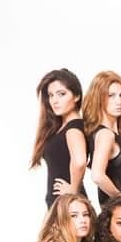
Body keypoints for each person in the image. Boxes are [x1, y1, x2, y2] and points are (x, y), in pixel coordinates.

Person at [84, 71, 121, 205]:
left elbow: (118, 172)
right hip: (119, 211)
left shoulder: (116, 134)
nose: (119, 101)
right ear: (98, 99)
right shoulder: (106, 135)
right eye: (111, 96)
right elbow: (97, 175)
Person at [30, 69, 87, 208]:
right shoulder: (62, 128)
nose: (54, 101)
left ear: (76, 96)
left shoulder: (73, 128)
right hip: (60, 203)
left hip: (68, 205)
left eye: (61, 94)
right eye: (51, 95)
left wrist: (73, 190)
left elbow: (80, 161)